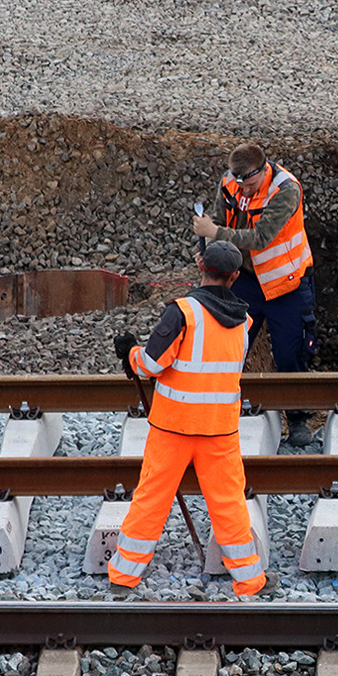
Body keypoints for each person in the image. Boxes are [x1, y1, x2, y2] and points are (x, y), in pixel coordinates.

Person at [110, 241, 279, 599]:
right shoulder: (243, 322)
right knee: (229, 503)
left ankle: (124, 577)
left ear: (200, 264)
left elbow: (153, 364)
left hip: (173, 427)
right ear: (234, 277)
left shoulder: (183, 312)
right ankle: (250, 581)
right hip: (220, 430)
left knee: (152, 499)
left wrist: (130, 354)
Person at [193, 143, 319, 447]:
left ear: (264, 170)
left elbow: (261, 237)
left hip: (286, 284)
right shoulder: (230, 184)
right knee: (231, 347)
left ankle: (299, 420)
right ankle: (217, 415)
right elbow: (219, 217)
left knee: (290, 353)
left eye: (250, 185)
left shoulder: (286, 190)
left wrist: (214, 234)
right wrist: (208, 251)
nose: (245, 192)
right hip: (247, 281)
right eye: (241, 185)